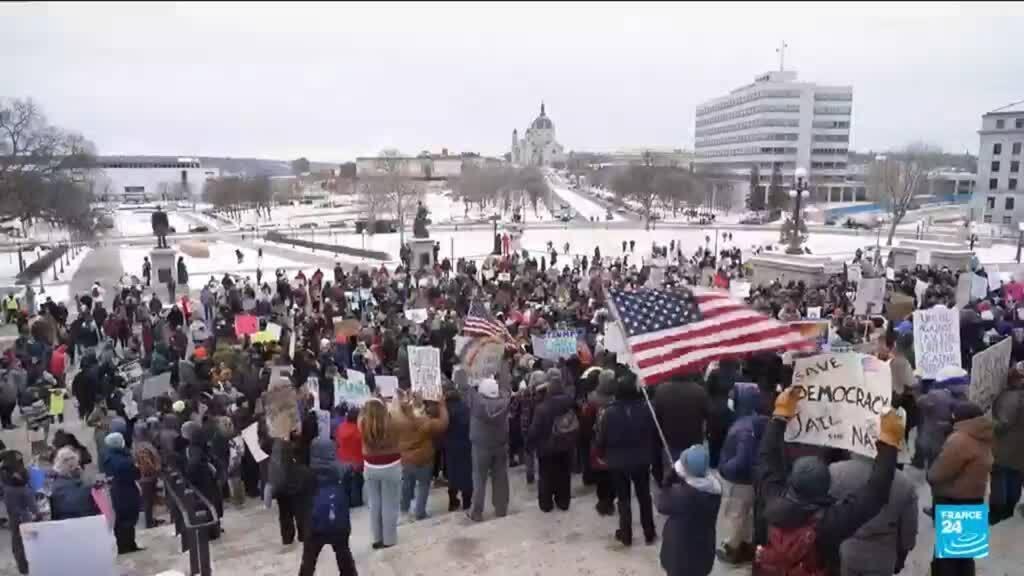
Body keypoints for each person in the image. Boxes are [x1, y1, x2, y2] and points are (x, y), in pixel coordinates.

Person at [754, 387, 903, 576]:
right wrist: (889, 443)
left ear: (792, 480)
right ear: (826, 487)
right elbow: (875, 494)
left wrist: (779, 417)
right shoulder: (828, 525)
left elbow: (766, 460)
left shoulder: (771, 500)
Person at [927, 401, 993, 576]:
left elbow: (937, 474)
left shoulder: (960, 440)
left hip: (954, 501)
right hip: (975, 499)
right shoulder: (984, 436)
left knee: (947, 557)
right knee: (965, 555)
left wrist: (930, 473)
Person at [829, 451, 918, 576]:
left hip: (845, 550)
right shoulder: (904, 483)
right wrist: (903, 554)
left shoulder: (835, 472)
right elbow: (909, 528)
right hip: (882, 556)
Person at [596, 373, 658, 546]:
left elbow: (602, 437)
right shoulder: (647, 408)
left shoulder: (609, 413)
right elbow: (653, 433)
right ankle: (649, 531)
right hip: (641, 459)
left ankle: (626, 533)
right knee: (644, 495)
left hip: (618, 461)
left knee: (623, 499)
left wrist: (600, 454)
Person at [715, 383, 768, 564]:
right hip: (750, 481)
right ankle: (745, 545)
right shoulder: (756, 420)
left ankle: (733, 549)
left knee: (735, 515)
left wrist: (725, 467)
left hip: (738, 481)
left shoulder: (744, 428)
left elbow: (742, 460)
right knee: (744, 515)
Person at [455, 369, 511, 521]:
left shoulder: (477, 402)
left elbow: (463, 386)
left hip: (481, 447)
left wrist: (462, 367)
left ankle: (476, 512)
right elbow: (507, 385)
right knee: (501, 477)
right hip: (500, 445)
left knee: (479, 479)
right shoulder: (505, 401)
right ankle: (501, 509)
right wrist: (502, 366)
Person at [656, 445, 722, 576]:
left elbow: (661, 505)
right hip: (703, 549)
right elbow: (695, 488)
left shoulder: (681, 495)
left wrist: (668, 480)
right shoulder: (714, 489)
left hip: (679, 554)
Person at [299, 437, 358, 576]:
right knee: (344, 557)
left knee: (308, 561)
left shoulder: (305, 474)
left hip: (314, 524)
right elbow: (350, 492)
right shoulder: (345, 469)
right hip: (339, 521)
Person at [393, 391, 448, 521]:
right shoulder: (425, 422)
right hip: (424, 458)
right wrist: (442, 406)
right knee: (423, 485)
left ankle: (404, 510)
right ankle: (420, 512)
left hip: (406, 458)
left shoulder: (398, 420)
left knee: (406, 485)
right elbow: (443, 423)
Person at [527, 370, 577, 512]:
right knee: (564, 475)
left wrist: (529, 445)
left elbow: (534, 430)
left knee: (546, 477)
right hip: (566, 445)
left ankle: (546, 504)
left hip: (546, 448)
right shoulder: (569, 401)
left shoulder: (542, 408)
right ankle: (563, 501)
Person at [359, 398, 401, 549]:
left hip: (371, 466)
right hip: (391, 465)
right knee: (389, 504)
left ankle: (377, 538)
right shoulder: (393, 422)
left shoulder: (363, 424)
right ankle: (389, 539)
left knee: (374, 504)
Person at [652, 376, 708, 482]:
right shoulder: (699, 391)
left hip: (669, 442)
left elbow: (657, 417)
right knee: (694, 478)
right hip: (693, 442)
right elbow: (707, 415)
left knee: (672, 477)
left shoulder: (661, 391)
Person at [991, 364, 1024, 525]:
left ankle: (1000, 512)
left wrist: (988, 424)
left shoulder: (1011, 397)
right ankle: (1010, 506)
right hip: (1019, 447)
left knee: (1001, 477)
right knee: (1016, 474)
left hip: (1006, 445)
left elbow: (1003, 423)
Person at [103, 432, 144, 554]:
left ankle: (130, 544)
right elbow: (134, 472)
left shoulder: (111, 456)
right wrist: (136, 468)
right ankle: (126, 546)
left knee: (126, 519)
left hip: (121, 490)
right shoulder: (120, 459)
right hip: (125, 491)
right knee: (126, 519)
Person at [1, 449, 39, 574]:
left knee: (16, 542)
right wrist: (37, 514)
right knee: (28, 542)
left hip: (13, 516)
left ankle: (22, 567)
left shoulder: (6, 483)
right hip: (25, 518)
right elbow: (34, 508)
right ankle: (29, 566)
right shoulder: (24, 490)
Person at [269, 434, 310, 546]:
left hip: (281, 487)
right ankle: (302, 534)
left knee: (285, 514)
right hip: (293, 486)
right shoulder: (292, 448)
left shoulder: (275, 449)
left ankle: (287, 537)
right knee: (299, 511)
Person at [443, 382, 473, 512]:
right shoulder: (465, 407)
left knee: (452, 473)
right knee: (466, 473)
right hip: (466, 444)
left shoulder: (444, 410)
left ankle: (452, 501)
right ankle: (467, 501)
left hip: (450, 446)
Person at [50, 446, 101, 520]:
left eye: (72, 458)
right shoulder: (58, 485)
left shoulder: (84, 477)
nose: (70, 462)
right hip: (71, 522)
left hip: (88, 519)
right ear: (59, 464)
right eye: (66, 460)